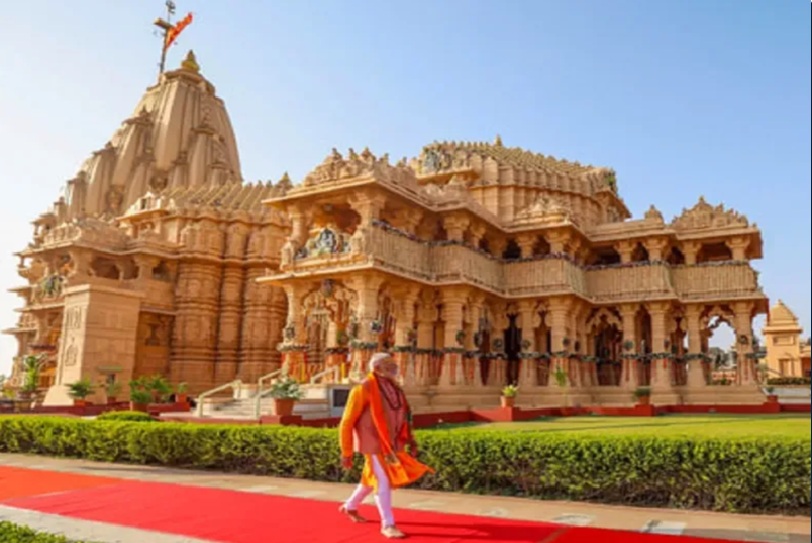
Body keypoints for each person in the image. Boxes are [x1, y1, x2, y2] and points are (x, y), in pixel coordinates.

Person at [338, 352, 433, 539]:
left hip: (393, 443)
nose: (394, 367)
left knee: (371, 479)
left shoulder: (395, 389)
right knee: (383, 481)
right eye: (388, 364)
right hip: (374, 443)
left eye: (393, 363)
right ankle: (388, 524)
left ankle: (350, 505)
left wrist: (410, 440)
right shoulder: (363, 389)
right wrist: (346, 451)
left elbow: (404, 418)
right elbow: (347, 422)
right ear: (377, 368)